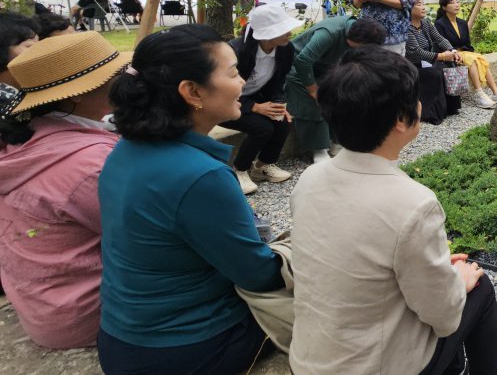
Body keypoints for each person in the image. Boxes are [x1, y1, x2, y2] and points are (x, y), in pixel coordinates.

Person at [290, 47, 497, 375]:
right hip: (375, 367)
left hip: (312, 359)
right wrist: (455, 280)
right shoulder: (414, 203)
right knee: (478, 286)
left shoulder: (309, 180)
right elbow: (443, 315)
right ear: (401, 118)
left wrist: (438, 269)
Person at [98, 25, 285, 374]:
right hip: (191, 346)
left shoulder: (125, 149)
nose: (242, 82)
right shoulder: (200, 176)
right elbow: (257, 274)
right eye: (233, 73)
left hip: (124, 337)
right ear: (193, 92)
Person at [0, 32, 128, 349]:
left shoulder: (31, 136)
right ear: (77, 95)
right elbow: (146, 235)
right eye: (116, 74)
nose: (126, 80)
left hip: (46, 308)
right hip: (88, 314)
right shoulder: (87, 165)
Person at [222, 5, 301, 195]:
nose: (290, 33)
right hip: (225, 103)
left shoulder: (285, 49)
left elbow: (278, 80)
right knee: (262, 128)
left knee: (282, 121)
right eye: (283, 30)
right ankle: (240, 169)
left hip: (255, 98)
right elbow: (221, 90)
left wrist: (278, 105)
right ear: (266, 35)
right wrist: (254, 107)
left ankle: (262, 166)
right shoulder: (236, 51)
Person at [285, 16, 386, 163]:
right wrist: (313, 90)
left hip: (323, 68)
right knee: (314, 101)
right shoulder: (329, 33)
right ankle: (318, 149)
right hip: (297, 69)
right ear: (360, 42)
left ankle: (336, 141)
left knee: (342, 95)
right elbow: (303, 60)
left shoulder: (356, 33)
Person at [436, 0, 497, 106]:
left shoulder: (462, 23)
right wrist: (457, 53)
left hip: (464, 53)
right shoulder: (440, 24)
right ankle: (479, 94)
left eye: (457, 1)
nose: (456, 4)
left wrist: (470, 53)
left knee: (479, 59)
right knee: (472, 61)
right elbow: (442, 44)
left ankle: (495, 92)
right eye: (452, 2)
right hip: (450, 54)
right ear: (444, 7)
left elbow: (468, 43)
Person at [406, 0, 466, 122]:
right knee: (435, 73)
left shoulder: (426, 23)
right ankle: (430, 113)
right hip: (412, 66)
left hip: (427, 62)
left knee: (446, 68)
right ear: (409, 8)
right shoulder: (406, 27)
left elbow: (440, 39)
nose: (423, 7)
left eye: (423, 3)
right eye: (419, 4)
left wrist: (453, 51)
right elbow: (415, 52)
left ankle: (450, 108)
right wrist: (441, 56)